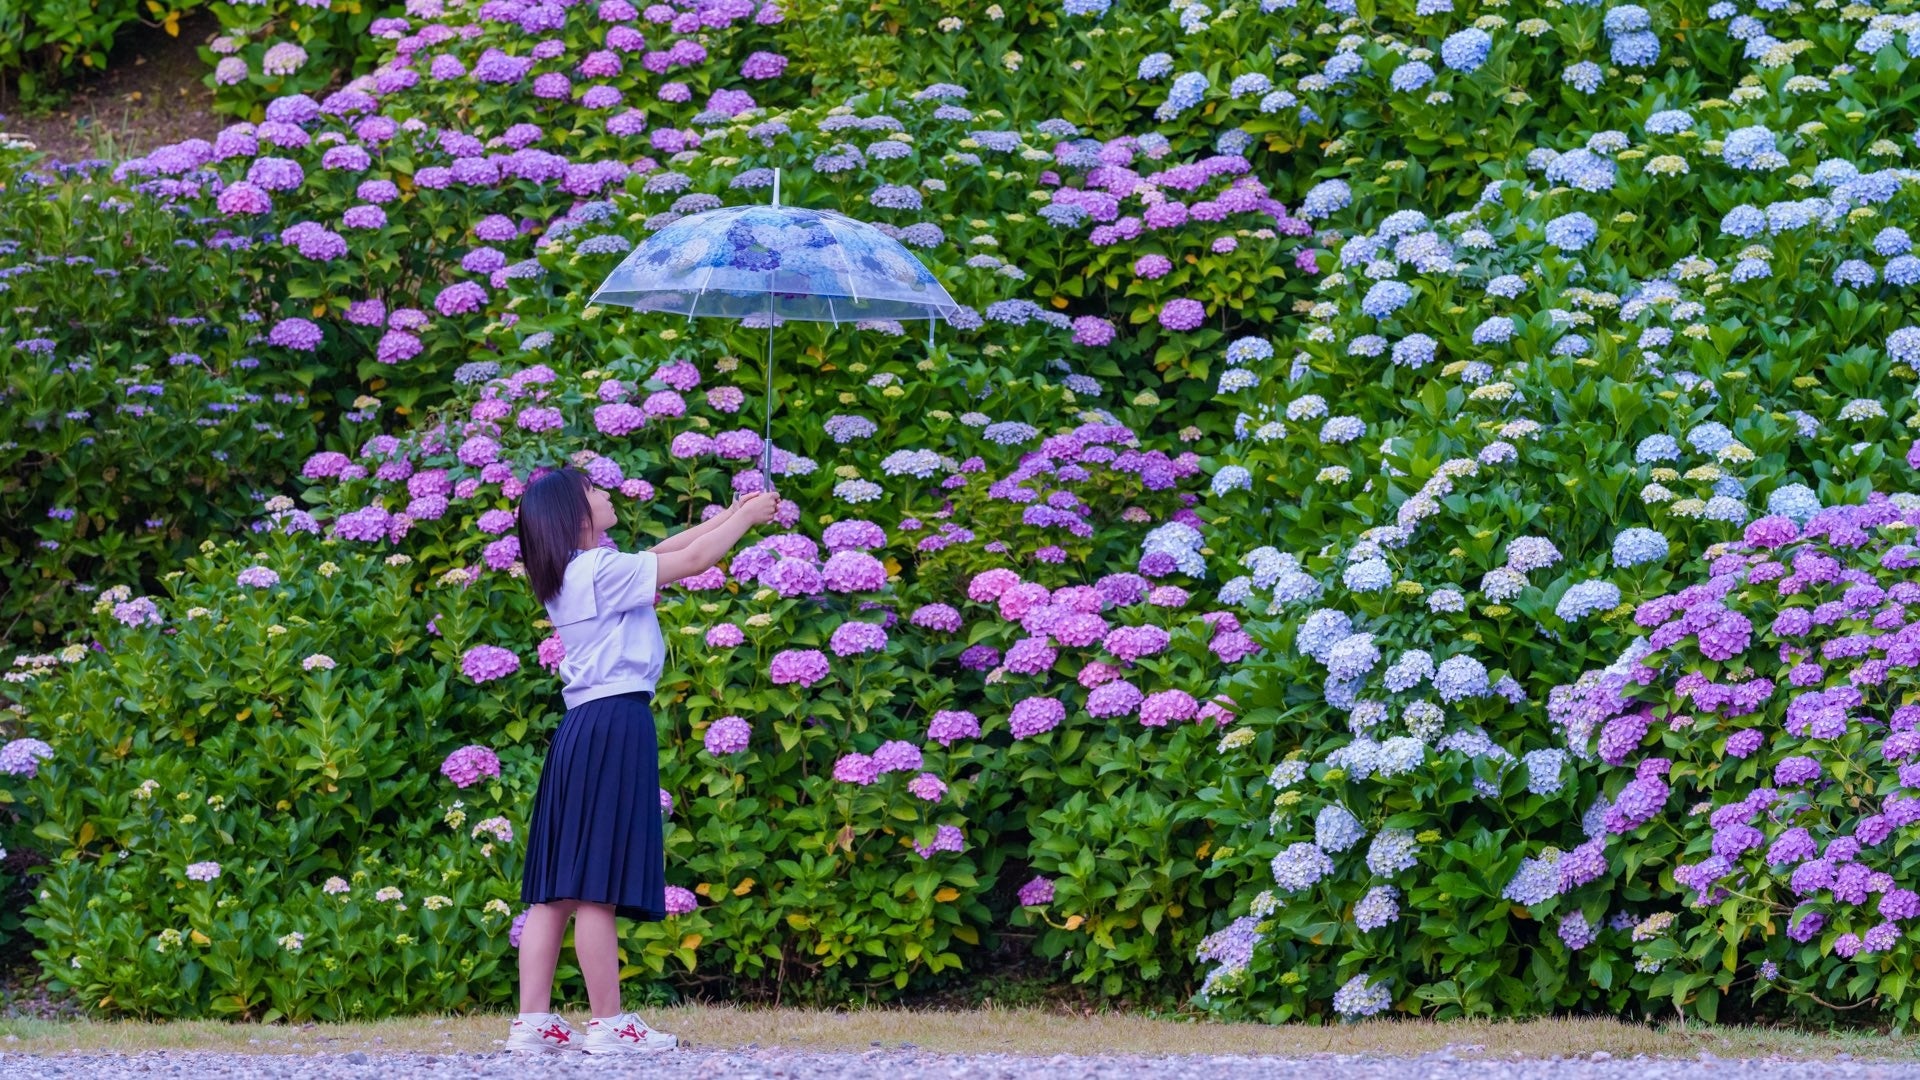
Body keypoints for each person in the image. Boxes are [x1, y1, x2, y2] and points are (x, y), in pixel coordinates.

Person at [504, 466, 779, 1054]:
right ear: (576, 514)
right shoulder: (600, 571)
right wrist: (750, 519)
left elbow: (665, 550)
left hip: (582, 725)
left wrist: (734, 512)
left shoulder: (576, 573)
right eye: (596, 492)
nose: (607, 495)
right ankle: (608, 1024)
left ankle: (533, 1023)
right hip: (615, 722)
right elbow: (695, 561)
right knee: (596, 887)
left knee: (554, 890)